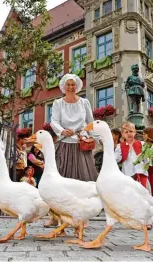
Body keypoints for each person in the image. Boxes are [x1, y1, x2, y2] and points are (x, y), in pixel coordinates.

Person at [47, 73, 99, 227]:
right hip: (65, 143)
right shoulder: (58, 103)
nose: (71, 86)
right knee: (60, 179)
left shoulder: (84, 102)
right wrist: (62, 130)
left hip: (81, 144)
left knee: (83, 179)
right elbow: (54, 121)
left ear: (77, 86)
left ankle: (83, 217)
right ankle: (56, 216)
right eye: (68, 84)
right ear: (63, 86)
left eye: (73, 84)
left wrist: (97, 138)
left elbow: (90, 122)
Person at [115, 122, 148, 187]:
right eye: (126, 132)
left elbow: (146, 159)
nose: (129, 134)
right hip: (127, 173)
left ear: (135, 132)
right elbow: (117, 159)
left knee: (142, 192)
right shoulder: (120, 146)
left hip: (141, 172)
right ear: (122, 134)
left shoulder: (142, 144)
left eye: (131, 131)